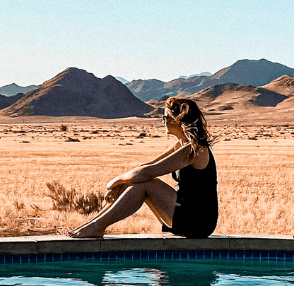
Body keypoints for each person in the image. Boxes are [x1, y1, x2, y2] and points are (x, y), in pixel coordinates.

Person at [69, 97, 218, 239]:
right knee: (137, 180)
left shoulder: (195, 149)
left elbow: (147, 172)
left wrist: (114, 182)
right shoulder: (181, 145)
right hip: (187, 213)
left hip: (199, 221)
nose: (163, 122)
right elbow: (146, 166)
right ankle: (93, 225)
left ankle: (97, 227)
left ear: (178, 121)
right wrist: (123, 183)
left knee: (147, 184)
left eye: (166, 118)